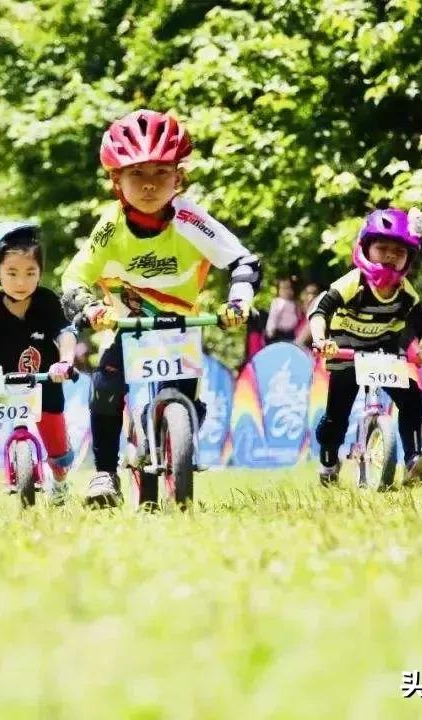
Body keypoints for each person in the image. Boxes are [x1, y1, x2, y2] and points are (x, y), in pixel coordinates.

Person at [61, 109, 261, 507]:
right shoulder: (110, 225)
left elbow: (243, 261)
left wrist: (239, 300)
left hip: (181, 326)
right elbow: (74, 279)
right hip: (128, 326)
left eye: (161, 173)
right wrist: (88, 308)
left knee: (191, 404)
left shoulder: (190, 218)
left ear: (179, 178)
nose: (150, 185)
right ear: (116, 180)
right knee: (105, 387)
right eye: (137, 174)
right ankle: (104, 474)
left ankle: (179, 436)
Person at [310, 205, 422, 487]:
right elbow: (320, 310)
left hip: (384, 352)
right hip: (345, 350)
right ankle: (329, 460)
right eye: (382, 248)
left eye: (399, 252)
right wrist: (321, 340)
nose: (391, 256)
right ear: (365, 249)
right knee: (337, 417)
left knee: (412, 398)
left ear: (409, 258)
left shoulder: (405, 293)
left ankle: (414, 459)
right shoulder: (352, 284)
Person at [0, 220, 78, 512]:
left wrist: (65, 362)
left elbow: (65, 333)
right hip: (2, 385)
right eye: (11, 273)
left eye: (30, 273)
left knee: (57, 442)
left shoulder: (48, 302)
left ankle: (61, 482)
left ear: (40, 273)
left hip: (45, 381)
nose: (21, 282)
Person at [266, 277, 303, 343]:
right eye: (283, 288)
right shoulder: (277, 301)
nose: (286, 291)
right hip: (280, 331)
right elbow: (273, 316)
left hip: (292, 331)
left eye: (289, 288)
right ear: (279, 290)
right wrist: (270, 330)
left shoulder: (294, 302)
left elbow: (299, 316)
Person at [294, 282, 321, 347]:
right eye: (307, 293)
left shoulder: (316, 317)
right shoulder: (298, 315)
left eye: (314, 294)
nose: (310, 297)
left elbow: (300, 341)